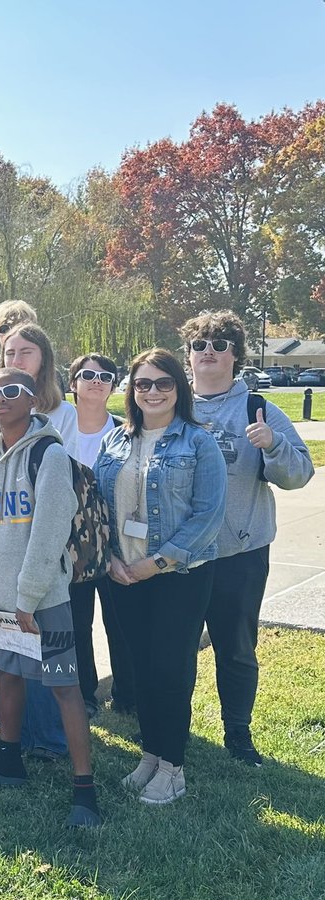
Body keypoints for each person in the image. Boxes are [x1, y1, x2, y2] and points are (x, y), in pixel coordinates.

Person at [0, 368, 101, 828]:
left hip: (44, 603)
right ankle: (9, 761)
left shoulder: (50, 455)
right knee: (7, 675)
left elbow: (48, 535)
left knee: (64, 687)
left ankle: (84, 790)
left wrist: (27, 599)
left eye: (10, 391)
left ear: (33, 399)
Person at [94, 348, 226, 805]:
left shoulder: (199, 442)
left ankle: (173, 768)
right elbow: (99, 508)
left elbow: (208, 516)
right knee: (141, 668)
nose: (152, 392)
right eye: (143, 383)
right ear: (132, 390)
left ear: (179, 388)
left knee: (170, 669)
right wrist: (111, 559)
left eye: (163, 383)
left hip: (179, 576)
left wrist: (157, 563)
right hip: (122, 575)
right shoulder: (115, 440)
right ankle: (150, 755)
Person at [181, 311, 314, 765]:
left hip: (240, 552)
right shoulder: (172, 404)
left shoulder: (258, 408)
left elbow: (299, 474)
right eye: (200, 345)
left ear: (235, 355)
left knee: (236, 649)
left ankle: (237, 732)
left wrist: (273, 443)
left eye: (220, 344)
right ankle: (172, 725)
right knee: (177, 647)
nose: (209, 351)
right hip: (179, 555)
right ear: (188, 355)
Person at [66, 353, 130, 717]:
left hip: (118, 544)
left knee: (120, 623)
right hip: (71, 546)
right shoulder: (56, 429)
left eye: (105, 376)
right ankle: (84, 695)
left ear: (114, 386)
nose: (96, 381)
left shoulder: (125, 432)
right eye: (87, 374)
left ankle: (127, 695)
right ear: (72, 382)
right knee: (77, 623)